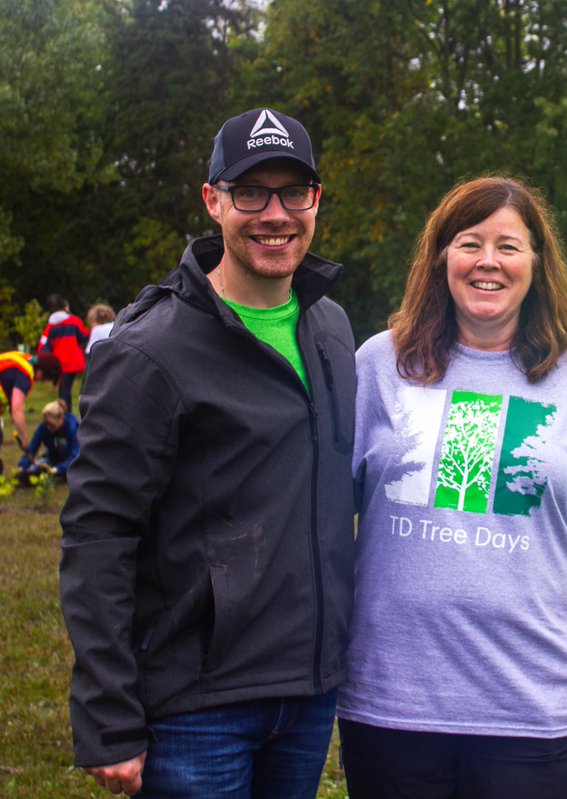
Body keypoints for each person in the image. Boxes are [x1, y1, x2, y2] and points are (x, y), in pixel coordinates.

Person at [59, 107, 356, 799]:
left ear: (317, 199)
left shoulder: (331, 326)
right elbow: (98, 535)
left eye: (294, 192)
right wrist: (109, 714)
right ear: (212, 199)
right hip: (199, 705)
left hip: (308, 693)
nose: (274, 214)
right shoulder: (149, 350)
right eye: (251, 191)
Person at [338, 175, 567, 799]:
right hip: (392, 704)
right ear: (440, 259)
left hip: (537, 710)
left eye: (509, 246)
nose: (489, 261)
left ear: (538, 265)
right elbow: (324, 519)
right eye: (469, 242)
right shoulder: (379, 365)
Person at [0, 350, 60, 453]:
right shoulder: (25, 374)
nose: (43, 381)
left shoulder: (23, 358)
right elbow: (17, 409)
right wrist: (24, 439)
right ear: (41, 370)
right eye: (45, 377)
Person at [38, 293, 90, 411]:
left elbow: (43, 346)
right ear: (65, 306)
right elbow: (85, 335)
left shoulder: (50, 326)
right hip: (72, 362)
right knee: (65, 391)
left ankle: (65, 415)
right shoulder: (74, 321)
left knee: (64, 391)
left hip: (59, 364)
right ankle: (66, 415)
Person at [17, 398, 79, 484]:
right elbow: (33, 448)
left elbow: (76, 454)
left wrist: (58, 469)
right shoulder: (43, 427)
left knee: (62, 444)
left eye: (51, 425)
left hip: (73, 459)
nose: (48, 427)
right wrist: (22, 466)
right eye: (46, 424)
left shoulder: (71, 426)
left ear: (60, 419)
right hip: (52, 456)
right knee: (34, 469)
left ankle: (65, 471)